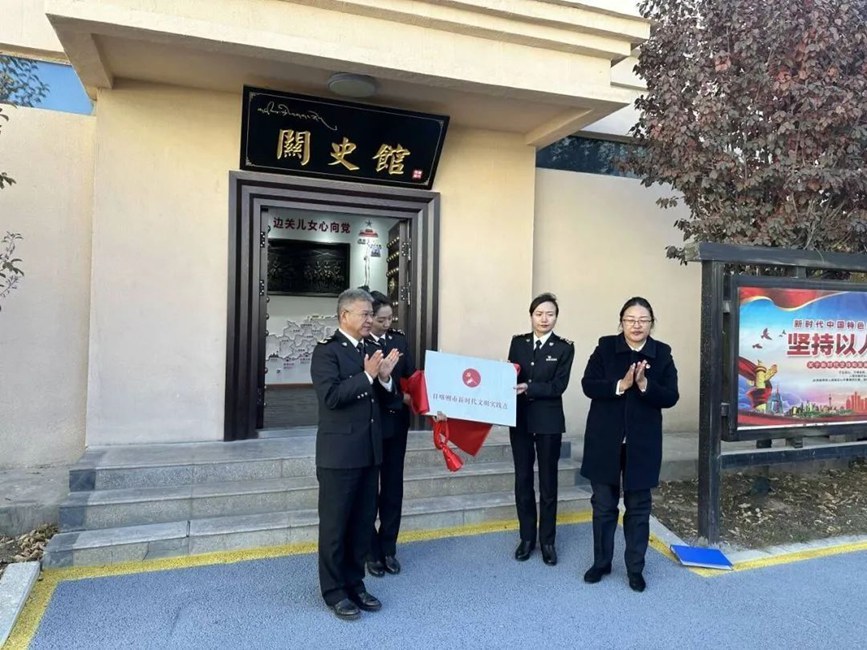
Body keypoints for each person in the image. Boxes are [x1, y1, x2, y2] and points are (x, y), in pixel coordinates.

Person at [311, 288, 400, 620]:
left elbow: (389, 402)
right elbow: (331, 397)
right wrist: (367, 376)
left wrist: (386, 379)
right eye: (364, 314)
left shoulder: (371, 350)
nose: (369, 319)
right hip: (339, 454)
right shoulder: (327, 352)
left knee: (362, 523)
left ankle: (355, 583)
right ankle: (334, 591)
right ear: (344, 315)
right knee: (336, 526)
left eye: (371, 314)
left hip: (369, 451)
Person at [580, 296, 679, 592]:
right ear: (621, 322)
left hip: (642, 444)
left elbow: (671, 396)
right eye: (630, 320)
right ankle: (601, 563)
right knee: (603, 506)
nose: (636, 325)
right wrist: (621, 385)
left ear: (651, 323)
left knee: (638, 508)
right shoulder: (605, 348)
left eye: (643, 320)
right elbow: (588, 385)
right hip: (604, 440)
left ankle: (635, 569)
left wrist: (645, 385)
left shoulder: (662, 354)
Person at [508, 292, 575, 565]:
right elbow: (511, 374)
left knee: (548, 482)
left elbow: (558, 386)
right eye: (539, 314)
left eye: (550, 314)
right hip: (521, 420)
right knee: (523, 479)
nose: (544, 319)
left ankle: (548, 541)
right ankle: (527, 538)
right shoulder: (518, 343)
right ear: (531, 315)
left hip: (549, 421)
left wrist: (529, 387)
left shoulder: (564, 347)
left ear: (556, 317)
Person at [364, 290, 416, 577]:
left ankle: (388, 548)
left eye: (389, 319)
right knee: (369, 490)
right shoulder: (360, 344)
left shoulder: (399, 340)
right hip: (370, 425)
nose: (386, 324)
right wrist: (399, 396)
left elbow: (412, 376)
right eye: (381, 320)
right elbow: (367, 387)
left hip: (396, 425)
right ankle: (370, 550)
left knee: (393, 488)